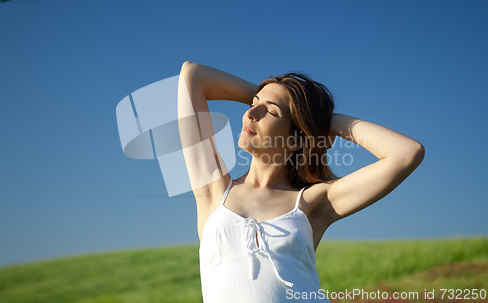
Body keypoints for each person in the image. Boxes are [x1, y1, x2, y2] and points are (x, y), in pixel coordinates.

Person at [177, 61, 425, 303]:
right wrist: (271, 98)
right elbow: (193, 75)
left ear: (296, 141)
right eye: (254, 104)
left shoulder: (314, 201)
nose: (251, 114)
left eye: (271, 112)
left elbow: (407, 153)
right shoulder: (214, 189)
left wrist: (325, 121)